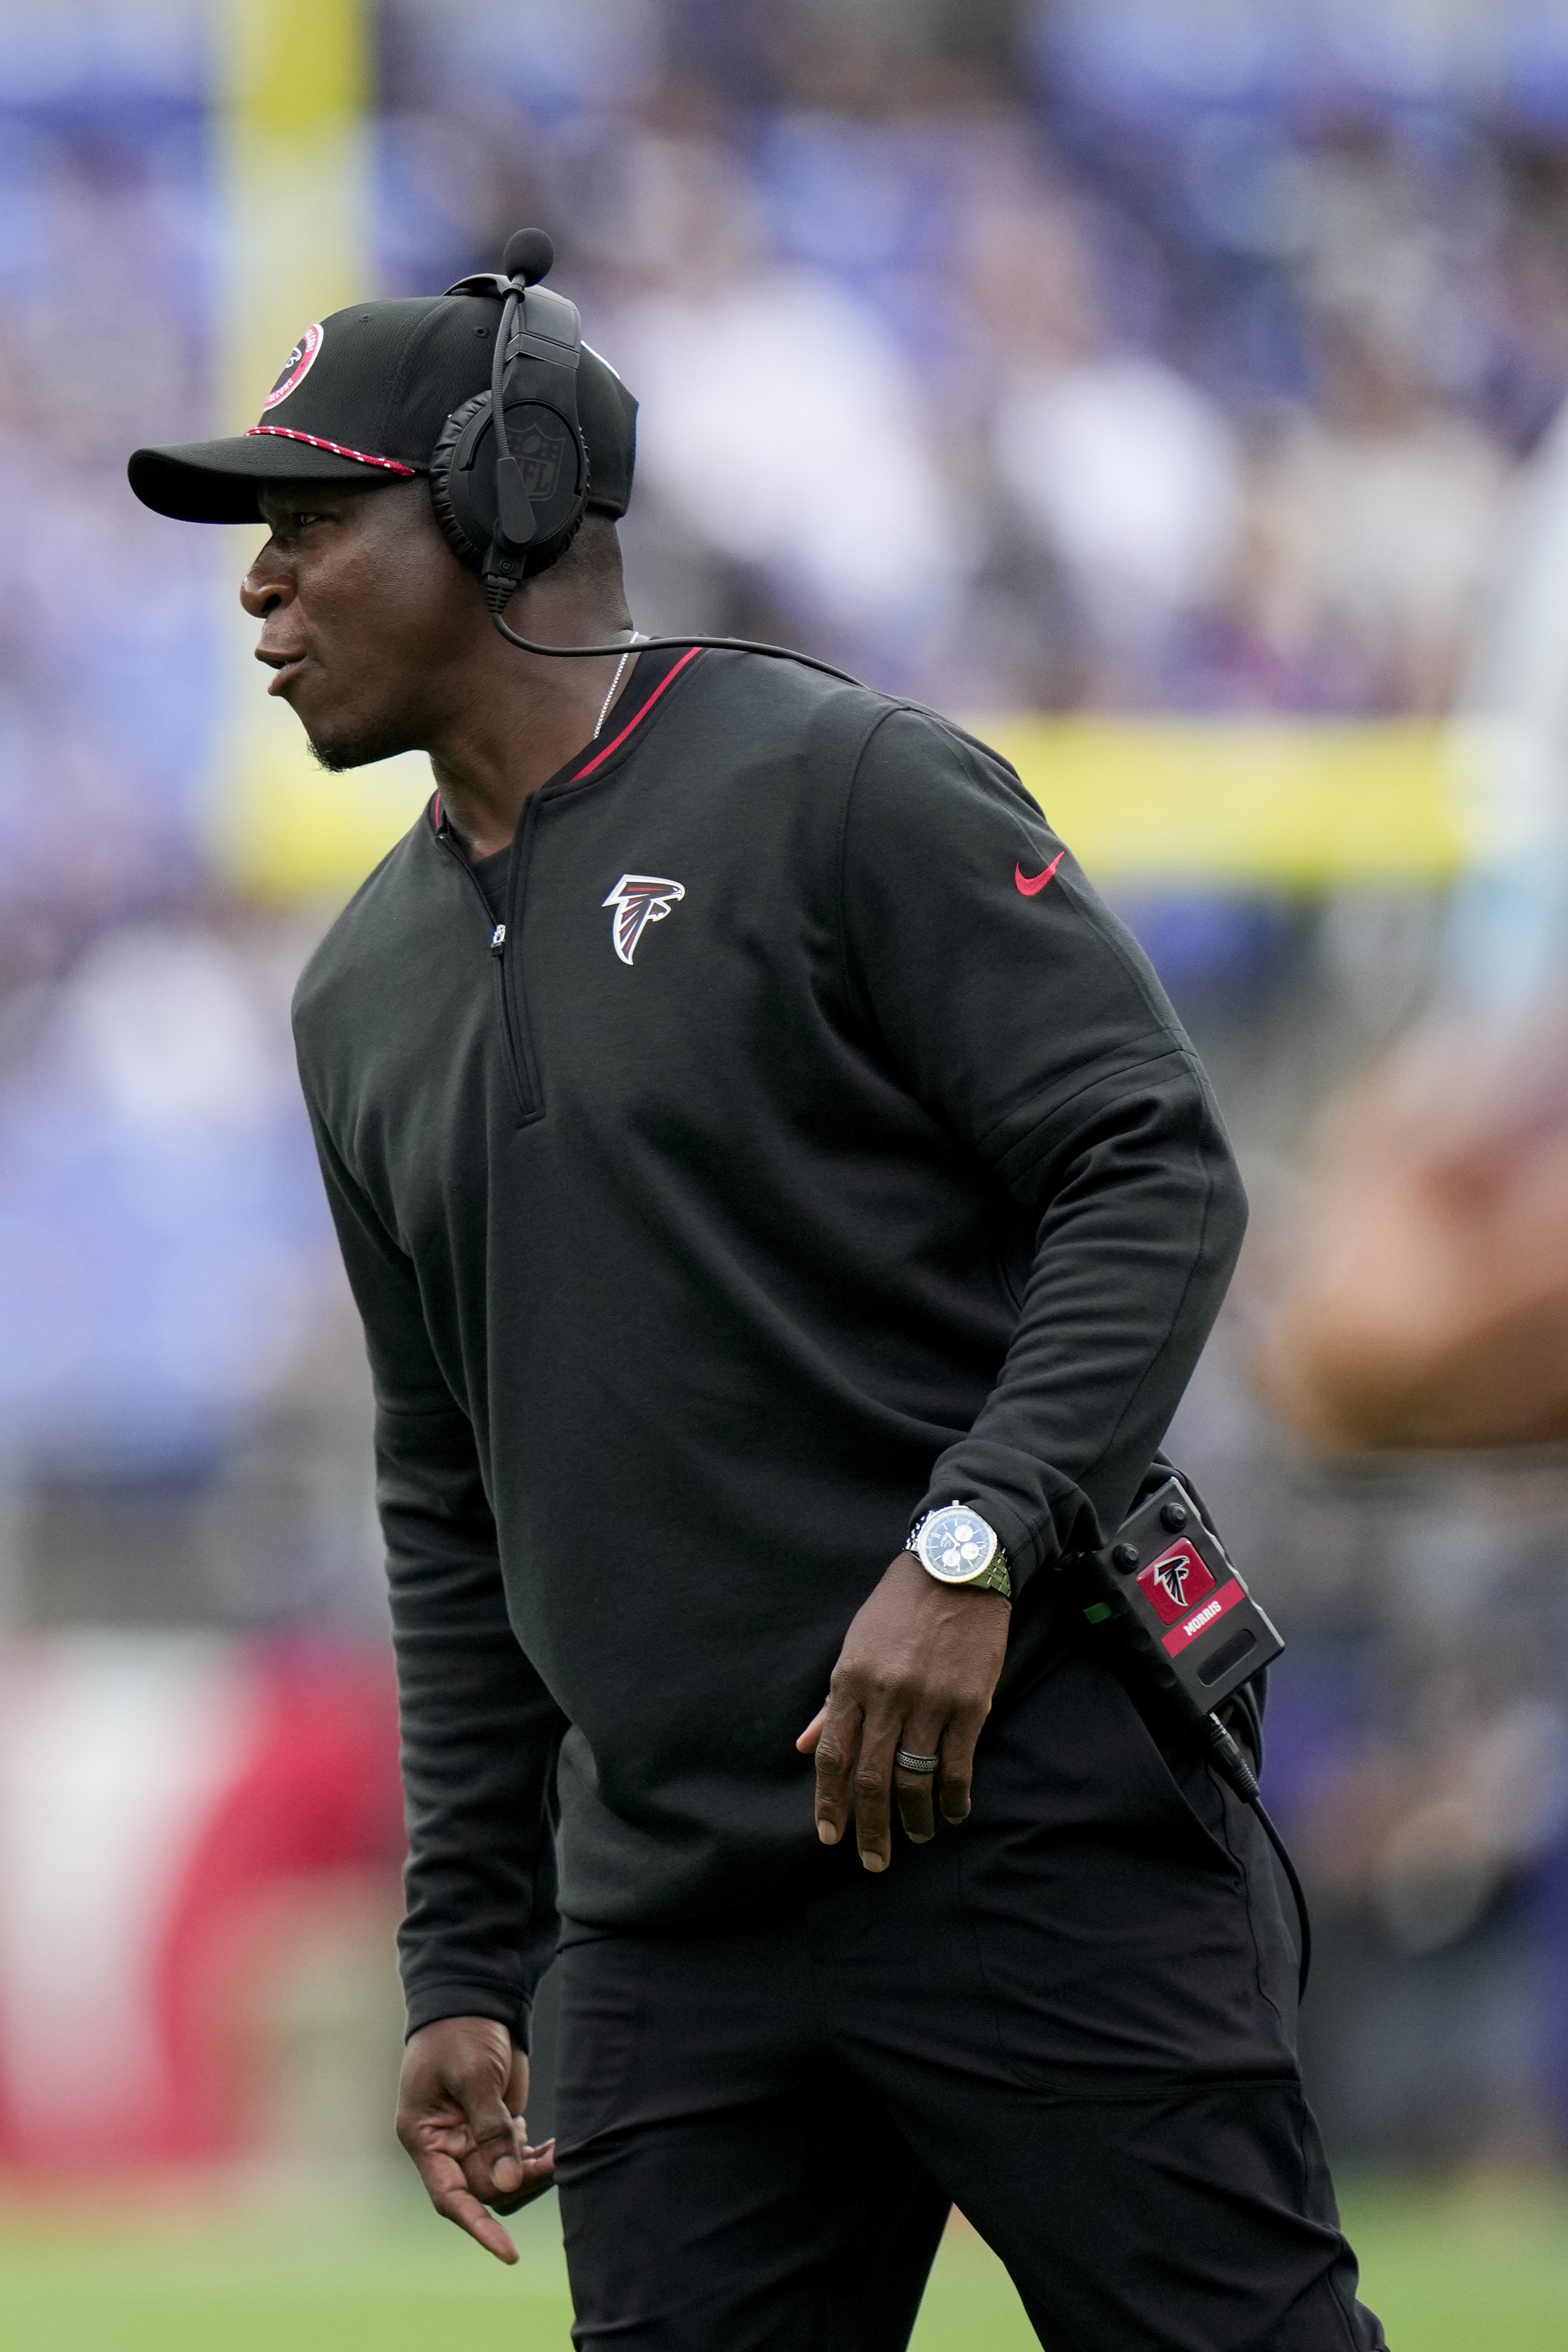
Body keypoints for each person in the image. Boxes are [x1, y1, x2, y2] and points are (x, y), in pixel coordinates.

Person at [129, 247, 1384, 2347]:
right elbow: (452, 1489)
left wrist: (974, 1533)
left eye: (310, 523)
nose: (259, 590)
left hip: (1026, 1841)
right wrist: (461, 1950)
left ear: (510, 500)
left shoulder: (838, 790)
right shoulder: (357, 989)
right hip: (668, 1921)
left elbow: (1143, 1162)